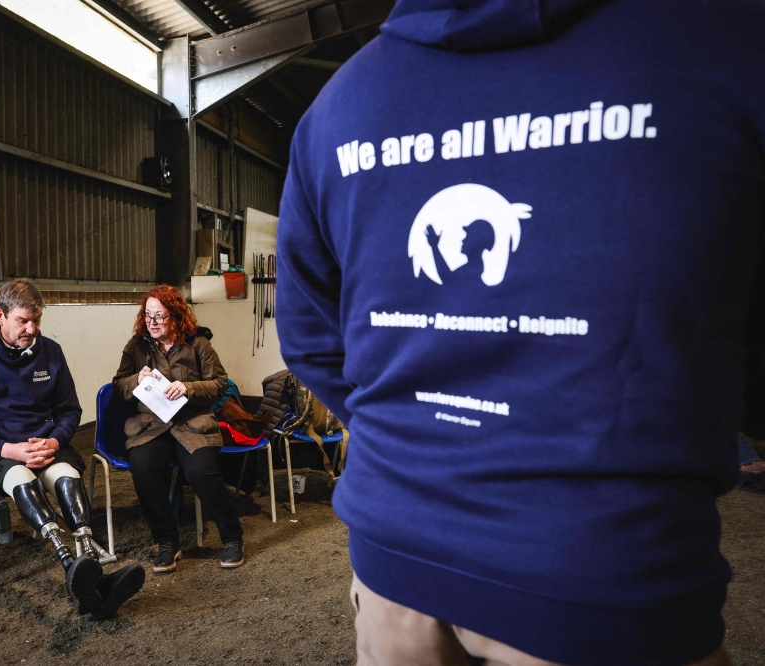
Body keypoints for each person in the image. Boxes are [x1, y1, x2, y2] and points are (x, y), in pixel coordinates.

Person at [275, 0, 764, 664]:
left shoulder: (337, 107)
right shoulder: (723, 39)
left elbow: (308, 336)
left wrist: (419, 436)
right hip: (604, 577)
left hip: (395, 558)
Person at [0, 278, 145, 618]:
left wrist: (54, 440)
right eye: (23, 320)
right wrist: (9, 449)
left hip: (43, 442)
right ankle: (71, 566)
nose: (32, 328)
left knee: (66, 474)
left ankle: (88, 569)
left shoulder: (50, 351)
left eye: (37, 320)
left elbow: (69, 411)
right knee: (22, 477)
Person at [113, 284, 245, 571]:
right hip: (151, 425)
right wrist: (137, 379)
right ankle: (167, 543)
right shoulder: (136, 346)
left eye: (160, 316)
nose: (152, 322)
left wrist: (188, 387)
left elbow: (220, 384)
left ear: (176, 316)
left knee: (200, 471)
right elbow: (118, 385)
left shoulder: (198, 344)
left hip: (192, 424)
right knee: (143, 466)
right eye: (148, 315)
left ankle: (232, 537)